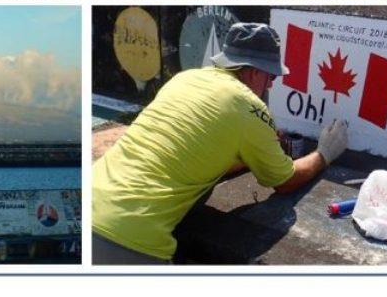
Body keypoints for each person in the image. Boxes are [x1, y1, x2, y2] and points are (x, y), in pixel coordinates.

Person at [92, 22, 349, 265]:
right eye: (272, 76)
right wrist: (324, 153)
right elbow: (285, 181)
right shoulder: (248, 106)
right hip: (129, 239)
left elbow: (191, 150)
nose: (272, 84)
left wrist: (252, 154)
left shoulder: (184, 78)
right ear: (253, 70)